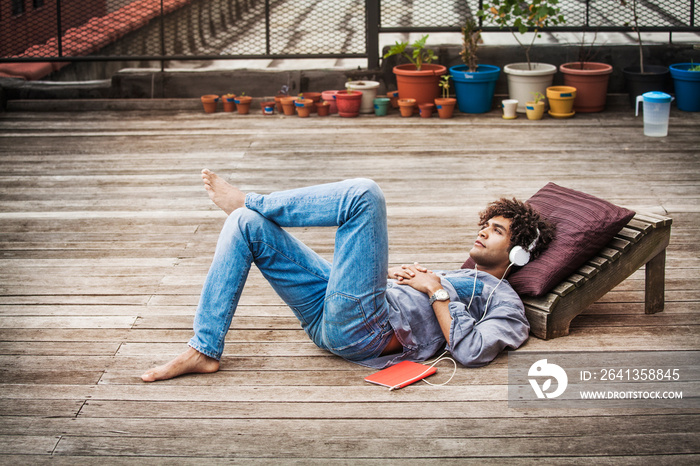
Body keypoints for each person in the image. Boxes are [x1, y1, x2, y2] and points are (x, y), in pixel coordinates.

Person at [141, 171, 554, 382]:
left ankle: (252, 198)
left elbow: (474, 351)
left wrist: (436, 291)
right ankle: (205, 348)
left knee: (364, 195)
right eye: (487, 224)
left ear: (519, 254)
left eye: (497, 231)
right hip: (335, 313)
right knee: (245, 224)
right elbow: (419, 298)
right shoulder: (455, 274)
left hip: (365, 329)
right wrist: (392, 278)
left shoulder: (506, 302)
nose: (484, 231)